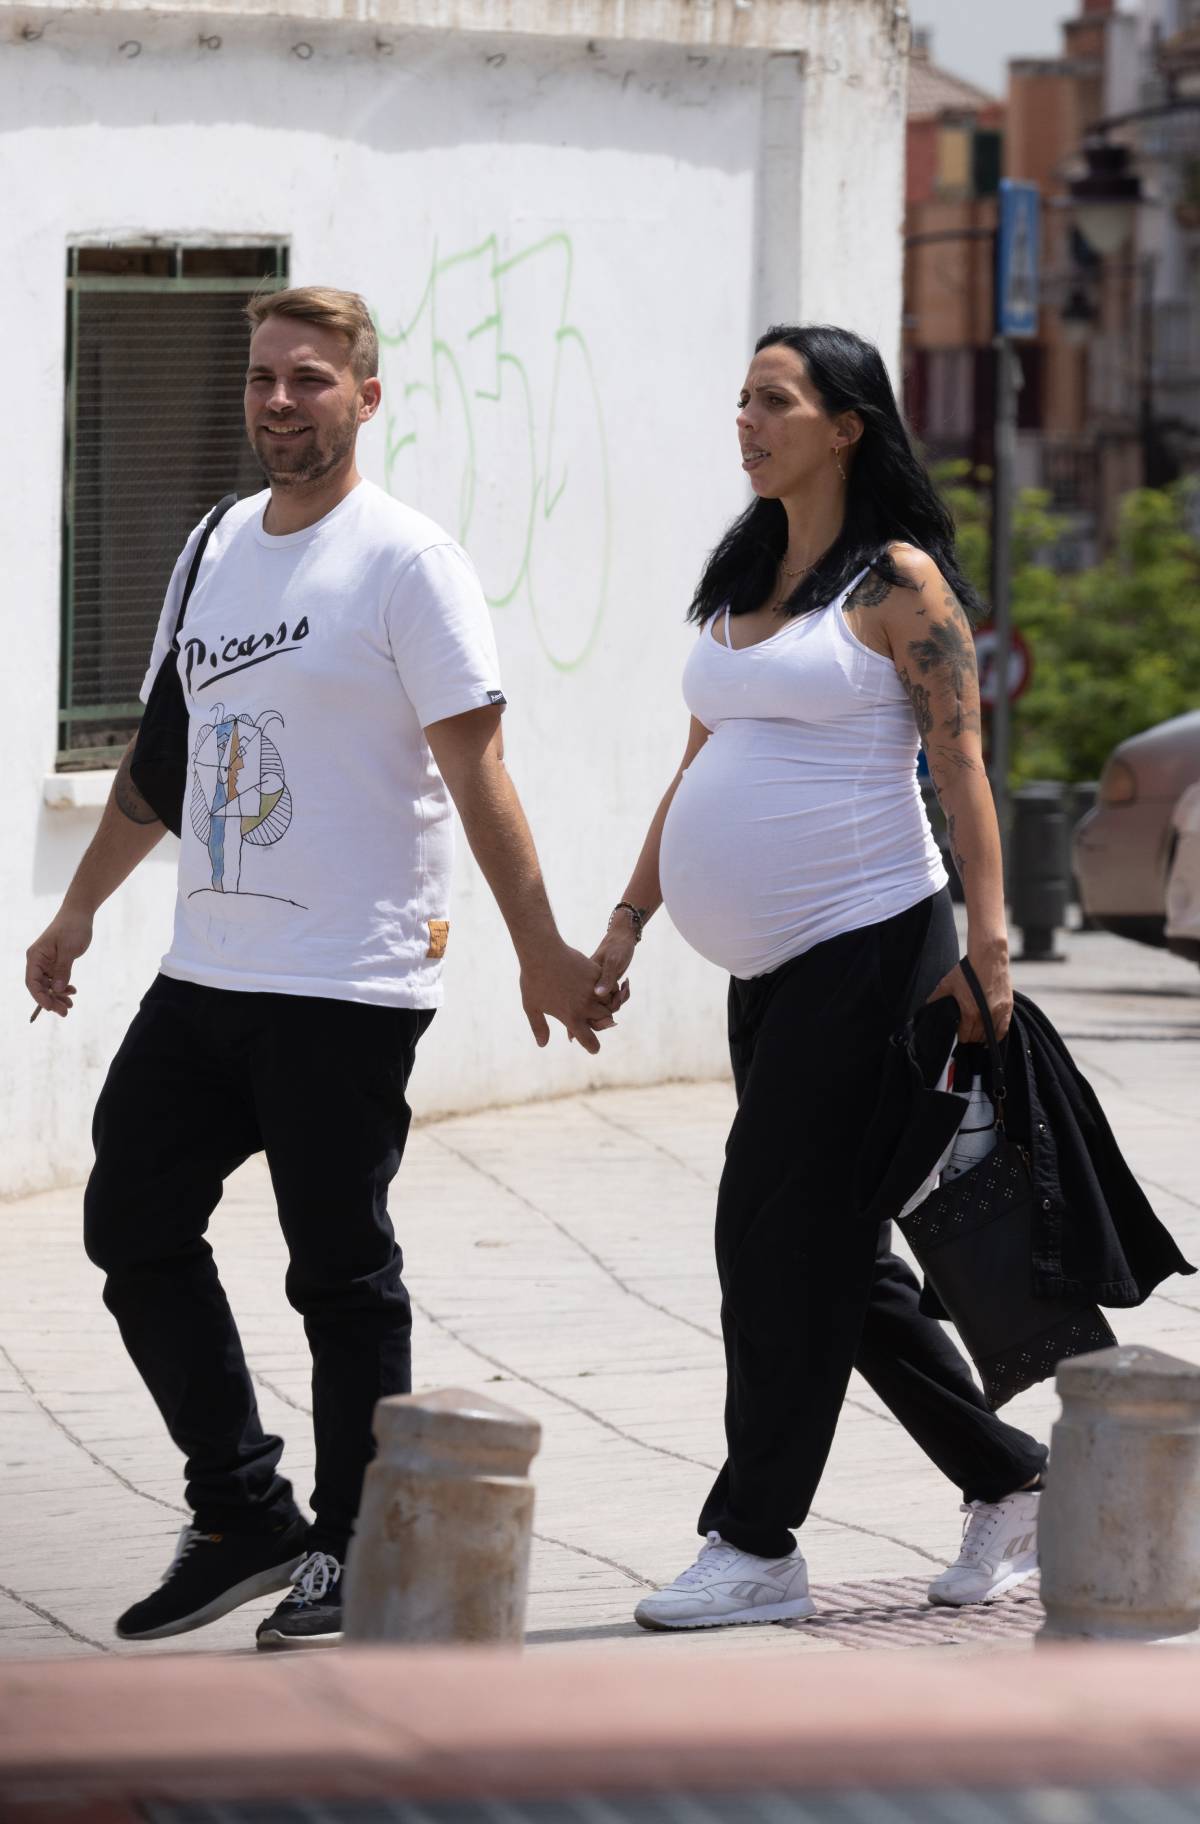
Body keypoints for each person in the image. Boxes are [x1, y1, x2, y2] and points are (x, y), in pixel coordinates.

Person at [25, 285, 616, 1650]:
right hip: (211, 965)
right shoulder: (217, 544)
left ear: (365, 395)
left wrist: (542, 948)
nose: (280, 401)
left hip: (347, 978)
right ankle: (241, 1509)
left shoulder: (409, 562)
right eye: (262, 378)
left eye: (309, 378)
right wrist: (77, 915)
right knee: (132, 1220)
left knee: (338, 1269)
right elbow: (165, 760)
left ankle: (349, 1550)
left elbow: (480, 768)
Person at [589, 323, 1048, 1631]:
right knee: (839, 1253)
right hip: (774, 971)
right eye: (741, 396)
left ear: (847, 423)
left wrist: (990, 948)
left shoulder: (897, 582)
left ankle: (756, 1540)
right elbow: (698, 765)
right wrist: (626, 922)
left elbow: (961, 769)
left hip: (874, 945)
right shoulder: (745, 572)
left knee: (767, 1233)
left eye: (775, 399)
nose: (748, 418)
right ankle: (1014, 1482)